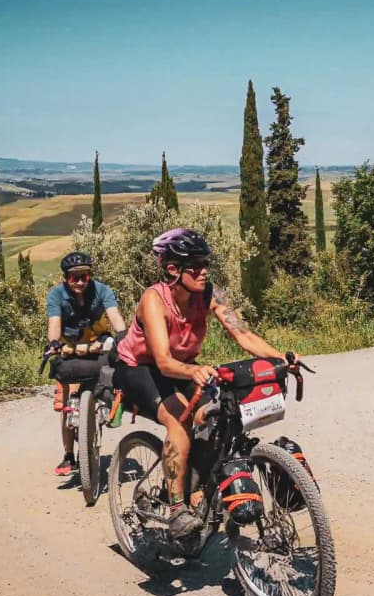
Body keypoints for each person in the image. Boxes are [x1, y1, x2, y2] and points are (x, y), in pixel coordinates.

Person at [113, 228, 301, 538]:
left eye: (206, 264)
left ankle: (196, 486)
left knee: (216, 415)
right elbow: (162, 361)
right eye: (195, 266)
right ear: (173, 269)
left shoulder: (211, 293)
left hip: (182, 366)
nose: (204, 272)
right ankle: (176, 510)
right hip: (140, 368)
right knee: (178, 422)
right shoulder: (153, 300)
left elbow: (243, 334)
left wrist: (281, 358)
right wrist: (194, 372)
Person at [45, 251, 127, 476]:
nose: (80, 282)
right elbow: (54, 323)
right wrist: (53, 342)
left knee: (114, 378)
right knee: (65, 402)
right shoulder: (55, 295)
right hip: (70, 347)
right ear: (66, 278)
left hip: (99, 344)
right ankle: (69, 455)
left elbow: (115, 316)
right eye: (74, 278)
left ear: (90, 276)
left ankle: (106, 408)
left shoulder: (102, 291)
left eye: (84, 277)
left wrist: (123, 335)